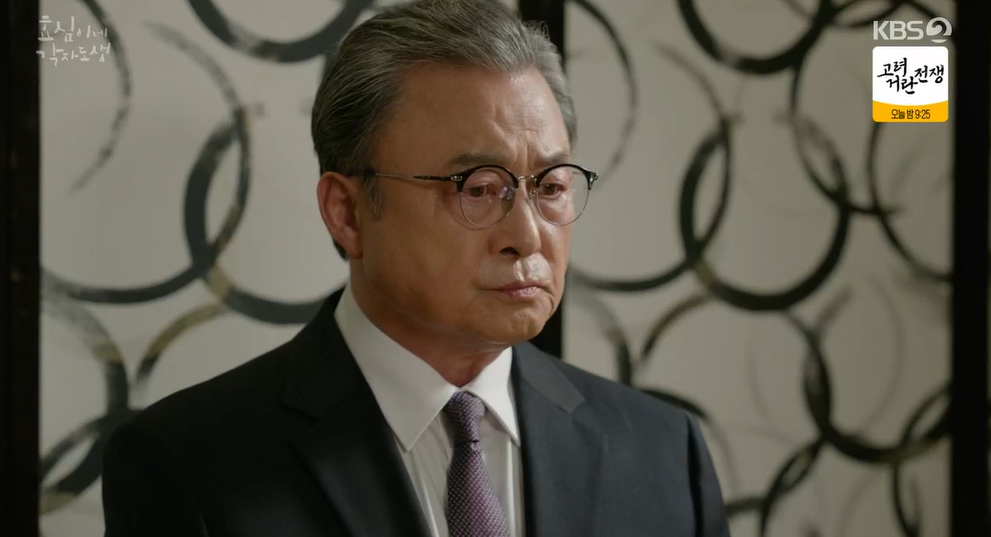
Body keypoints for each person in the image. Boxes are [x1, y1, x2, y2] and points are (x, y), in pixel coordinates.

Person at [101, 0, 731, 536]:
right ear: (348, 212)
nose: (526, 236)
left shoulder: (662, 452)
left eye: (551, 186)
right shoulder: (188, 465)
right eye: (477, 188)